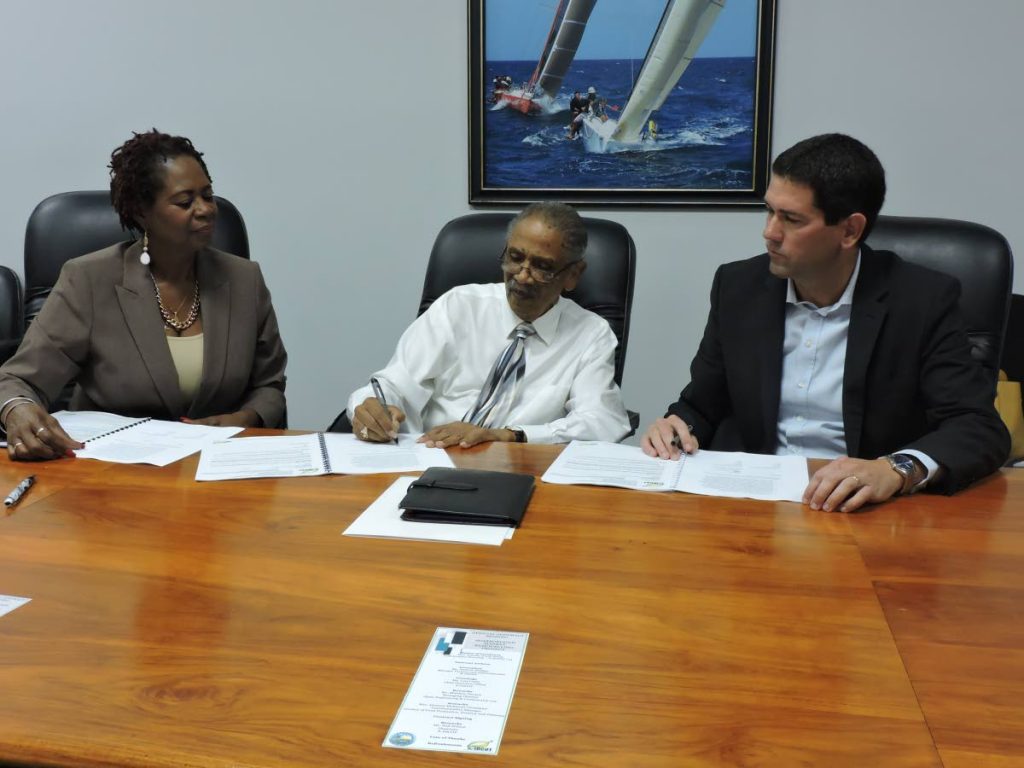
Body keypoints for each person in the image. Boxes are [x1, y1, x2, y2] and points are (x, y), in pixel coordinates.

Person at [641, 133, 1009, 512]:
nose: (770, 232)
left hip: (861, 511)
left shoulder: (922, 300)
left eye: (791, 219)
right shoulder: (738, 288)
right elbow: (702, 404)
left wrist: (896, 469)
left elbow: (978, 428)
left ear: (849, 230)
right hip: (751, 505)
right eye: (769, 211)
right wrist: (675, 424)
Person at [0, 129, 288, 460]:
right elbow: (17, 380)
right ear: (141, 212)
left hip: (216, 468)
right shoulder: (90, 280)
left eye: (208, 195)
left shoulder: (244, 279)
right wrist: (17, 409)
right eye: (185, 201)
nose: (205, 209)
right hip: (110, 473)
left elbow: (270, 386)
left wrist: (245, 419)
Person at [348, 202, 630, 448]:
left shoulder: (591, 335)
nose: (522, 276)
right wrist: (369, 406)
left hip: (520, 470)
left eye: (542, 267)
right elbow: (395, 383)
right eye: (515, 258)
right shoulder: (458, 306)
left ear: (573, 275)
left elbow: (602, 421)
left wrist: (508, 436)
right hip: (428, 456)